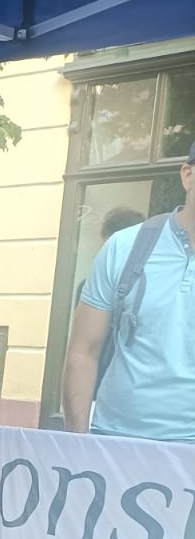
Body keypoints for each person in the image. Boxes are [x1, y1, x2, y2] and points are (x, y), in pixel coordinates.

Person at [62, 146, 194, 441]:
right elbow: (83, 351)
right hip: (116, 441)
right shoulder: (124, 248)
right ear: (187, 175)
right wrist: (76, 444)